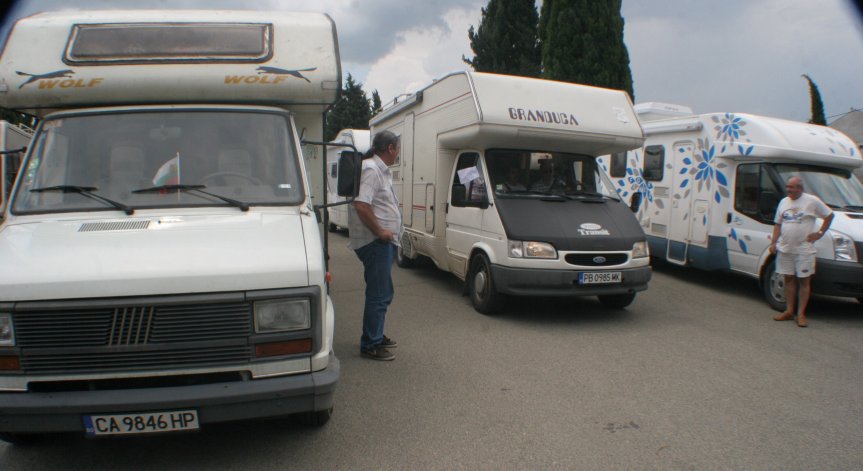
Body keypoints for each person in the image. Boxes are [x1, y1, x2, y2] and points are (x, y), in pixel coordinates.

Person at [348, 130, 403, 361]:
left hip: (381, 241)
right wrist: (380, 231)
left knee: (383, 292)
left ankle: (376, 335)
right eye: (397, 148)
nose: (398, 152)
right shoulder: (371, 169)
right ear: (390, 148)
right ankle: (370, 344)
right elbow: (361, 205)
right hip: (375, 242)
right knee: (379, 294)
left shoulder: (379, 169)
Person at [769, 176, 833, 327]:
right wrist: (773, 242)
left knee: (804, 281)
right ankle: (789, 311)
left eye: (792, 187)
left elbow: (829, 215)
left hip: (804, 249)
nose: (788, 189)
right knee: (788, 279)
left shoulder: (811, 201)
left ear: (800, 188)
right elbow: (778, 224)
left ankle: (801, 314)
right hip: (786, 248)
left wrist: (820, 233)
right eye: (788, 187)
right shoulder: (783, 202)